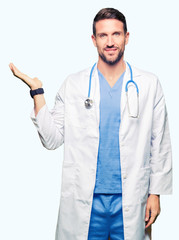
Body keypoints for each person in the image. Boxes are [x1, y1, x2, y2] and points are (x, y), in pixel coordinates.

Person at [9, 7, 172, 240]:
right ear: (94, 40)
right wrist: (37, 92)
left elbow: (160, 142)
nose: (110, 42)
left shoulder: (149, 84)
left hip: (131, 197)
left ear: (127, 37)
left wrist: (155, 193)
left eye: (116, 34)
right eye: (103, 35)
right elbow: (52, 139)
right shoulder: (74, 84)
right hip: (86, 198)